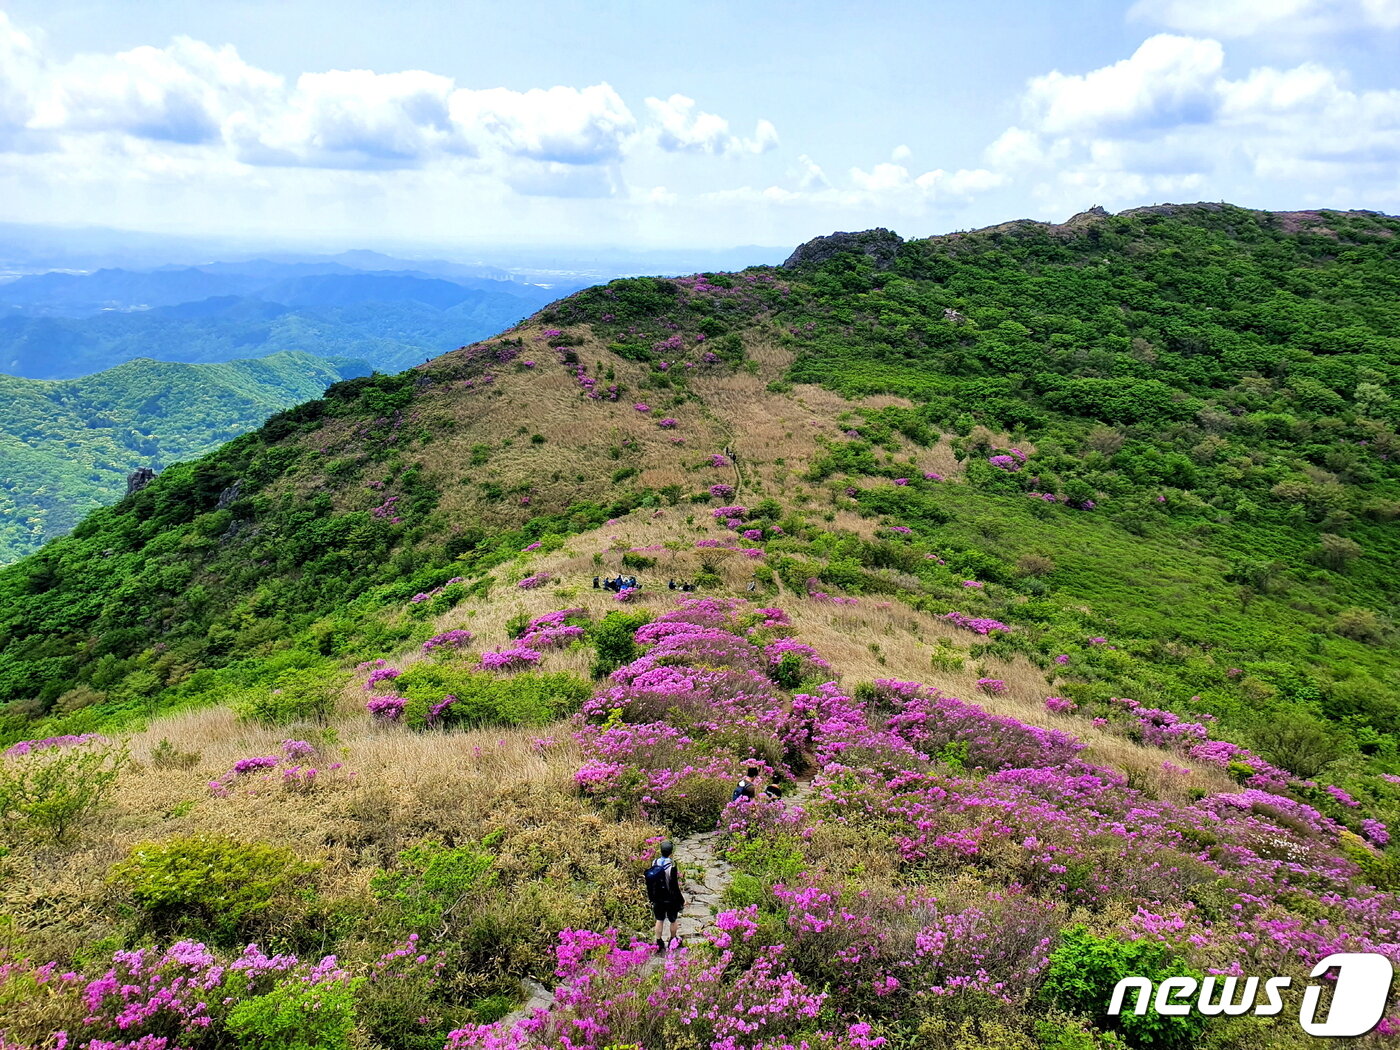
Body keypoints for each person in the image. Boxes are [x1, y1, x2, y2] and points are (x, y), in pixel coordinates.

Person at [644, 840, 685, 953]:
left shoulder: (654, 862)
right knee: (673, 920)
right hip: (670, 898)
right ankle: (673, 939)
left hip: (657, 897)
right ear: (671, 852)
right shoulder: (671, 866)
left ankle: (658, 942)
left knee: (659, 919)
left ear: (660, 850)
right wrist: (681, 900)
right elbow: (675, 885)